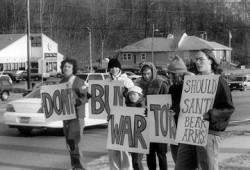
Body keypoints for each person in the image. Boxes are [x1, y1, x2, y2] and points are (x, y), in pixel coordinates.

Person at [174, 49, 235, 170]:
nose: (197, 62)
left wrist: (209, 115)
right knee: (181, 166)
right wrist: (176, 109)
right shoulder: (192, 82)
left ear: (211, 61)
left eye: (201, 59)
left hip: (209, 133)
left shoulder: (219, 82)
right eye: (196, 59)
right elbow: (188, 104)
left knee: (208, 167)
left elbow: (228, 108)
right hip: (189, 132)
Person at [60, 58, 90, 170]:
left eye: (69, 66)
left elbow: (86, 97)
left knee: (76, 144)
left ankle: (81, 167)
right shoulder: (61, 81)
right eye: (65, 66)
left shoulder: (78, 81)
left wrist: (76, 101)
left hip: (77, 117)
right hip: (66, 116)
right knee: (70, 144)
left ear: (73, 69)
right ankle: (75, 167)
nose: (66, 68)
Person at [139, 62, 169, 170]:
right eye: (144, 74)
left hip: (159, 122)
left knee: (161, 152)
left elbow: (167, 102)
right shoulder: (140, 84)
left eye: (148, 73)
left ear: (153, 72)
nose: (146, 76)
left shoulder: (161, 83)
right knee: (149, 153)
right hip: (146, 122)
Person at [106, 58, 134, 170]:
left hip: (124, 118)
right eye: (111, 67)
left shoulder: (127, 81)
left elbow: (135, 97)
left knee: (124, 147)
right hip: (111, 118)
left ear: (119, 67)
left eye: (115, 67)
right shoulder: (107, 81)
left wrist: (127, 94)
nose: (114, 69)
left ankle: (127, 168)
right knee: (112, 147)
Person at [167, 55, 194, 163]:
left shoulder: (190, 87)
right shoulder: (173, 88)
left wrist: (176, 109)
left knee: (185, 161)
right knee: (177, 160)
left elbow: (189, 103)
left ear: (177, 74)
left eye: (171, 74)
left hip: (186, 129)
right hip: (174, 128)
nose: (169, 76)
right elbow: (169, 104)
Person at [125, 86, 146, 170]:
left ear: (139, 96)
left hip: (140, 138)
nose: (132, 96)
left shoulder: (144, 107)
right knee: (132, 161)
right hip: (129, 137)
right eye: (130, 94)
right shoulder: (125, 106)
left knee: (137, 161)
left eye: (134, 94)